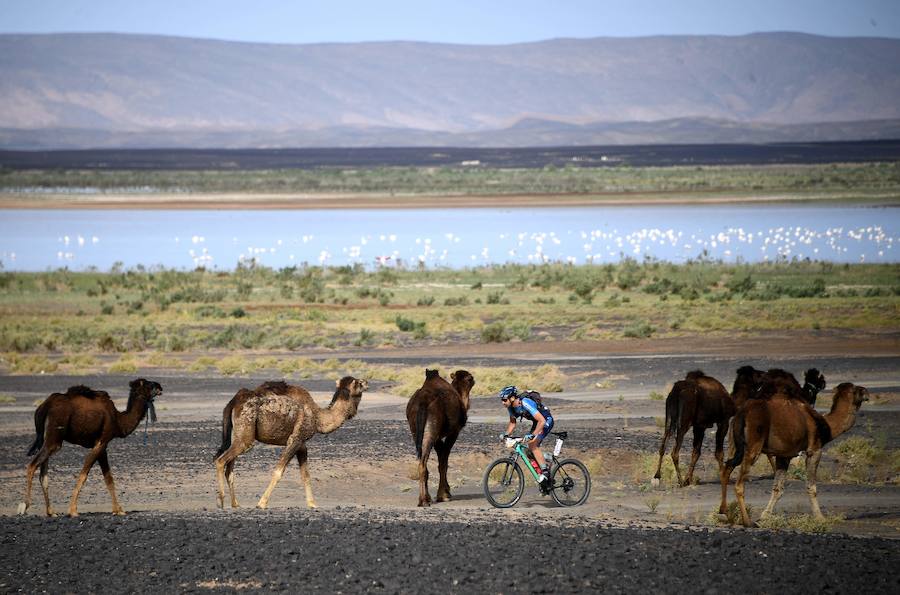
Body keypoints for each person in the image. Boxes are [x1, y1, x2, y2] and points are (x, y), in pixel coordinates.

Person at [498, 385, 554, 484]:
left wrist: (533, 435)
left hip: (545, 420)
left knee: (532, 444)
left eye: (504, 400)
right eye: (502, 400)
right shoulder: (511, 407)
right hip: (537, 422)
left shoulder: (524, 403)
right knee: (527, 450)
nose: (503, 402)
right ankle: (546, 458)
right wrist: (506, 434)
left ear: (512, 398)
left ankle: (545, 473)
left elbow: (542, 421)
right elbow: (512, 423)